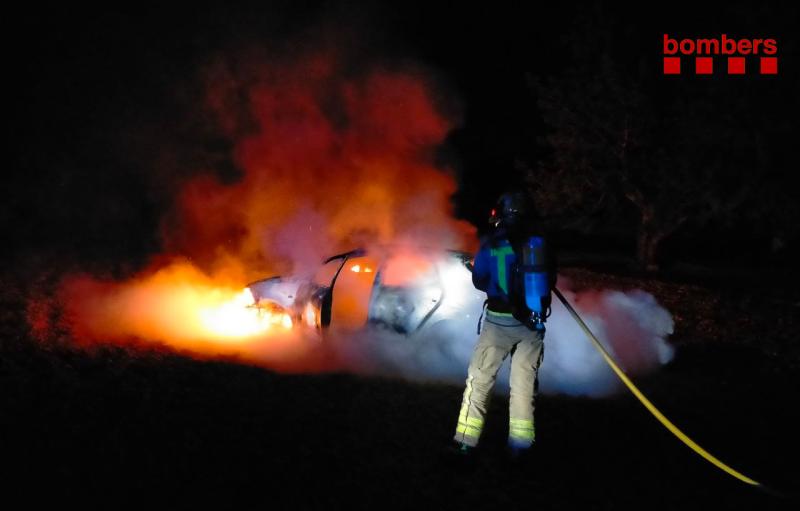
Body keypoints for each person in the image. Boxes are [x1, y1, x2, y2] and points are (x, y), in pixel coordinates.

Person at [453, 191, 556, 459]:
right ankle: (520, 448)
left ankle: (465, 443)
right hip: (532, 326)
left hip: (498, 324)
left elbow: (479, 280)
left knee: (479, 382)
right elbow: (549, 280)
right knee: (523, 388)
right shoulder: (539, 241)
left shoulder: (492, 242)